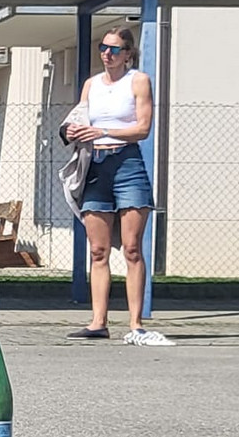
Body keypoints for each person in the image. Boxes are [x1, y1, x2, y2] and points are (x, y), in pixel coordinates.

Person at [62, 27, 172, 347]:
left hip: (128, 164)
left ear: (128, 54)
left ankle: (136, 324)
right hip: (96, 166)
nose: (107, 54)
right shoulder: (92, 84)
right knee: (98, 250)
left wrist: (104, 132)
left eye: (114, 49)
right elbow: (79, 118)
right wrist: (72, 131)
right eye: (103, 48)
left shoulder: (138, 81)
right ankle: (98, 322)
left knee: (132, 247)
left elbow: (143, 128)